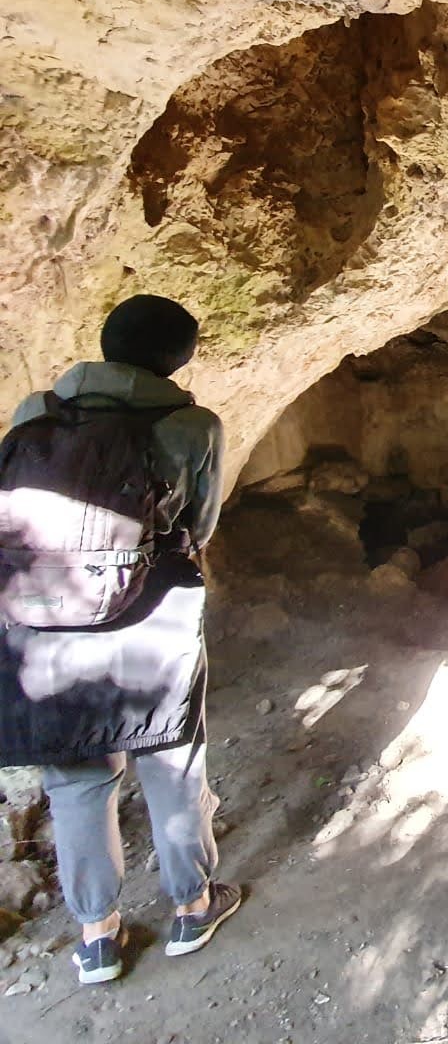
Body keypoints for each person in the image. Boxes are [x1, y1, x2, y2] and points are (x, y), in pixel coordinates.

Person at [0, 295, 241, 985]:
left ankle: (96, 935)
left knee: (75, 778)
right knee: (170, 762)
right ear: (180, 357)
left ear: (106, 346)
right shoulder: (192, 424)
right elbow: (199, 524)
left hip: (42, 621)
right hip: (151, 615)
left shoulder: (33, 415)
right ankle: (193, 906)